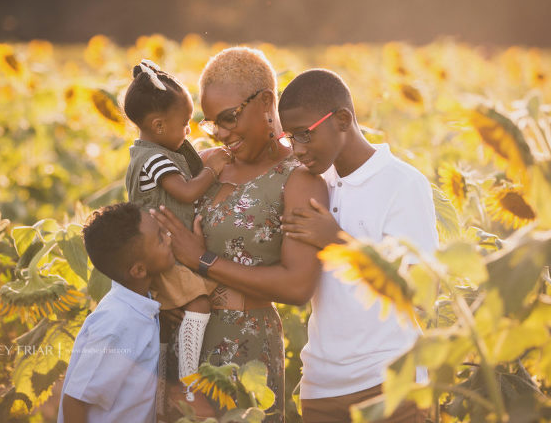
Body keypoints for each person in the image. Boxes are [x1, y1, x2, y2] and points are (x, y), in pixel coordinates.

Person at [151, 47, 328, 423]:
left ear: (266, 102)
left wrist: (202, 260)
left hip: (242, 354)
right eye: (212, 122)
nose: (222, 133)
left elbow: (297, 287)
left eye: (229, 118)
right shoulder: (205, 164)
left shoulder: (298, 179)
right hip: (175, 342)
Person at [278, 69, 438, 423]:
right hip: (320, 387)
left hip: (391, 384)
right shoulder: (314, 184)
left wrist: (337, 239)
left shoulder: (403, 184)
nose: (298, 150)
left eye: (305, 134)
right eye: (290, 138)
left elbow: (420, 294)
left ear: (342, 119)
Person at [122, 60, 231, 401]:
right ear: (157, 125)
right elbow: (185, 191)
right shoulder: (154, 159)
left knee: (170, 321)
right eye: (184, 124)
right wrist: (212, 170)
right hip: (163, 251)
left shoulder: (158, 152)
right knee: (198, 302)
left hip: (168, 248)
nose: (189, 130)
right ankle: (188, 374)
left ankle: (168, 379)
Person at [58, 202, 175, 423]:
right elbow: (75, 400)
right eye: (160, 238)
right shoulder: (117, 323)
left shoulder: (138, 306)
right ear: (139, 270)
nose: (169, 237)